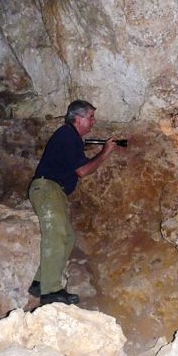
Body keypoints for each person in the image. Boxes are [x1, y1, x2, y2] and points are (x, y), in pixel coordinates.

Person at [27, 100, 118, 305]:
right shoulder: (67, 135)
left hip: (54, 191)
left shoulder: (72, 138)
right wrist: (105, 153)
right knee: (57, 233)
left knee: (67, 237)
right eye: (91, 117)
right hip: (47, 188)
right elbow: (82, 171)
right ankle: (50, 292)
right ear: (77, 118)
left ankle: (40, 282)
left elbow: (80, 165)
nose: (94, 121)